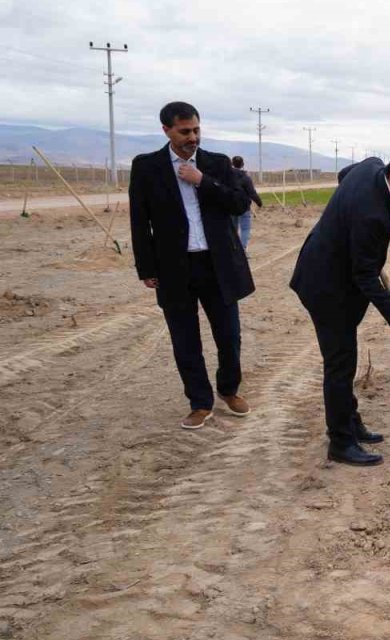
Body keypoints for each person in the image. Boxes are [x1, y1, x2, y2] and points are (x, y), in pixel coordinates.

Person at [291, 149, 390, 466]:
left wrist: (347, 221)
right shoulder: (373, 215)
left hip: (330, 266)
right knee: (340, 364)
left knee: (346, 357)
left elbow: (344, 175)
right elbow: (365, 277)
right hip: (326, 286)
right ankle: (341, 441)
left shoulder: (372, 166)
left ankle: (350, 420)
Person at [128, 101, 254, 430]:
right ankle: (200, 402)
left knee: (229, 336)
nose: (193, 137)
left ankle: (229, 389)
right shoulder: (146, 167)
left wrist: (202, 180)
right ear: (166, 130)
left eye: (196, 130)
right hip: (174, 268)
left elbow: (239, 203)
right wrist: (146, 268)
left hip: (217, 264)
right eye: (185, 131)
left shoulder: (216, 163)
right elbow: (139, 220)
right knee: (185, 340)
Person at [229, 156, 263, 248]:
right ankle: (243, 248)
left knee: (233, 229)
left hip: (231, 206)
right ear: (242, 164)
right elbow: (252, 193)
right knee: (245, 229)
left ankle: (234, 248)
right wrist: (259, 203)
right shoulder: (245, 178)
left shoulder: (227, 176)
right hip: (244, 207)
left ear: (232, 163)